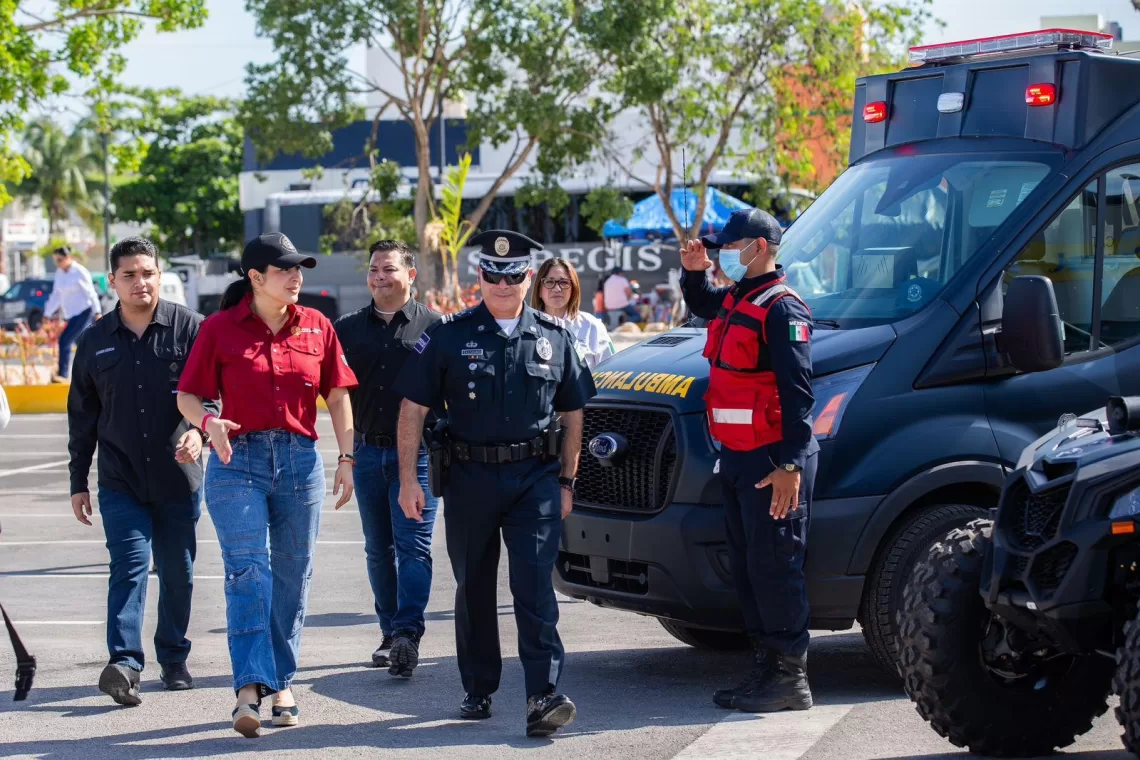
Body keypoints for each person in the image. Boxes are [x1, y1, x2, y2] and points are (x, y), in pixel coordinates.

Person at [395, 229, 596, 737]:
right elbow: (413, 408)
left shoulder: (555, 337)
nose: (502, 284)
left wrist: (568, 480)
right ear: (479, 276)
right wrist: (407, 479)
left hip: (536, 480)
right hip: (470, 478)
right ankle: (478, 687)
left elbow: (574, 413)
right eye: (492, 274)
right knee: (475, 587)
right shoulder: (449, 334)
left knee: (534, 588)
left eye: (512, 275)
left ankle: (542, 695)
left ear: (528, 278)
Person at [176, 233, 358, 738]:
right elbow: (188, 395)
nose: (296, 276)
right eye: (285, 269)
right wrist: (207, 422)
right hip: (236, 461)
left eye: (299, 268)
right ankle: (248, 689)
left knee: (293, 574)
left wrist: (347, 458)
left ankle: (280, 682)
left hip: (300, 463)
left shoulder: (318, 325)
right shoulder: (218, 328)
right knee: (248, 574)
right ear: (255, 278)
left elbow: (338, 395)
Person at [679, 208, 819, 713]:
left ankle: (790, 679)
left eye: (731, 247)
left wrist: (791, 466)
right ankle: (765, 669)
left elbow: (799, 394)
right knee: (749, 569)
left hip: (772, 461)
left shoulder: (783, 309)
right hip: (738, 457)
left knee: (776, 568)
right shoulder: (739, 297)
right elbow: (703, 304)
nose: (724, 254)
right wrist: (694, 273)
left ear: (759, 247)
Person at [65, 236, 212, 706]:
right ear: (112, 281)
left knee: (177, 572)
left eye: (147, 273)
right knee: (127, 568)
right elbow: (82, 417)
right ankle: (125, 664)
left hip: (178, 478)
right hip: (120, 478)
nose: (139, 282)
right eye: (128, 275)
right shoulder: (94, 340)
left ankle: (173, 657)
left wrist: (200, 432)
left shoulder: (190, 328)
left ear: (159, 274)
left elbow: (212, 394)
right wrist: (77, 482)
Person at [334, 240, 441, 677]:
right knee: (378, 550)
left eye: (389, 269)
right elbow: (333, 391)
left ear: (410, 274)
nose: (380, 277)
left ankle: (407, 634)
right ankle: (389, 633)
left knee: (413, 547)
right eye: (374, 269)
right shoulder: (346, 329)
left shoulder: (436, 327)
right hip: (366, 452)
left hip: (418, 458)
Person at [531, 257, 616, 371]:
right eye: (549, 282)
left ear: (573, 289)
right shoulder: (526, 327)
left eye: (564, 282)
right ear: (539, 290)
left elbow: (610, 373)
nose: (557, 288)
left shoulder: (591, 326)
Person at [44, 246, 102, 382]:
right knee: (83, 345)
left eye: (60, 260)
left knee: (64, 340)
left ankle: (63, 375)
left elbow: (91, 293)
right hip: (70, 315)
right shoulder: (59, 273)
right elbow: (56, 296)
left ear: (68, 257)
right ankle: (95, 372)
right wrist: (47, 313)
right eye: (55, 260)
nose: (57, 263)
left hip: (84, 312)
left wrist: (97, 312)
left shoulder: (79, 272)